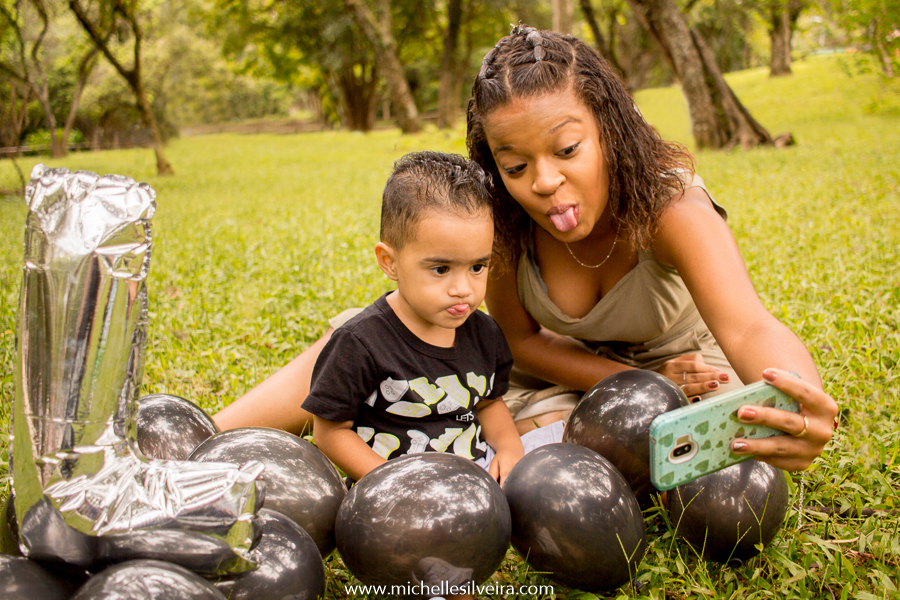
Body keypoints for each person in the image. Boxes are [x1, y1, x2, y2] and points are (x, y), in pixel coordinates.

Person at [463, 24, 837, 472]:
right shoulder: (503, 219)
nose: (543, 182)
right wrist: (637, 384)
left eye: (566, 149)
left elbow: (749, 327)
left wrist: (800, 398)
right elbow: (518, 340)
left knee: (721, 463)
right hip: (566, 372)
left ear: (609, 131)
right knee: (546, 457)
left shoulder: (670, 209)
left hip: (690, 370)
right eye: (516, 165)